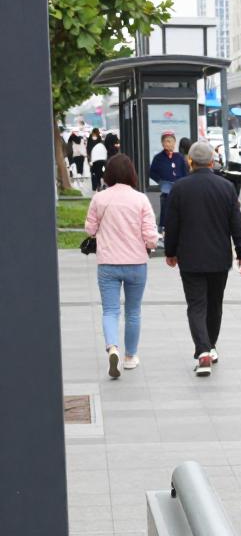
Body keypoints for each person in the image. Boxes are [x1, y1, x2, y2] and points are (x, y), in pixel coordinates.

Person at [164, 140, 241, 376]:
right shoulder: (226, 187)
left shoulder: (179, 188)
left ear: (189, 161)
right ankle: (210, 347)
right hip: (219, 259)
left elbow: (172, 225)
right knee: (215, 305)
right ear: (212, 162)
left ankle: (203, 350)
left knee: (196, 305)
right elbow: (236, 224)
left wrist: (170, 252)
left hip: (190, 259)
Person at [84, 153, 159, 378]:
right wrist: (152, 243)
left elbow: (89, 229)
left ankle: (112, 347)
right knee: (133, 311)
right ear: (131, 173)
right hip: (136, 263)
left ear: (108, 173)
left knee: (110, 310)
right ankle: (130, 357)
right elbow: (150, 236)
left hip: (108, 263)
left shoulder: (100, 198)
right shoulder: (140, 199)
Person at [149, 133, 188, 238]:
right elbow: (152, 173)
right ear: (162, 143)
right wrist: (160, 181)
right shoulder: (158, 158)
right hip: (166, 189)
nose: (167, 143)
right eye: (165, 141)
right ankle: (163, 229)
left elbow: (185, 173)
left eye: (170, 141)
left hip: (179, 188)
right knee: (165, 209)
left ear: (174, 143)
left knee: (180, 209)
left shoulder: (179, 157)